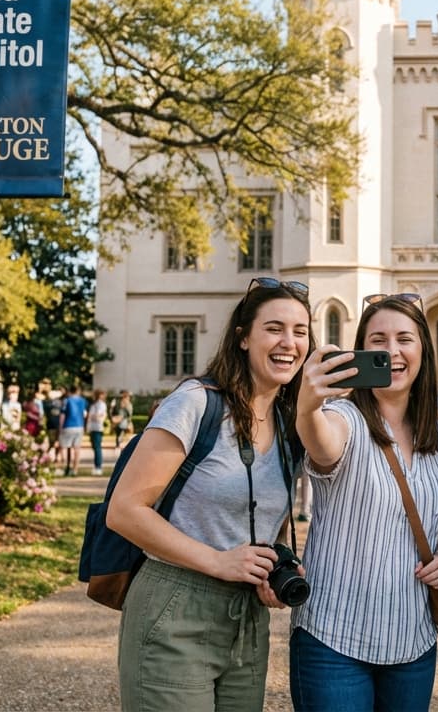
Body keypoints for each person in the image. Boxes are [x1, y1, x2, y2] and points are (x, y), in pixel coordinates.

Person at [107, 278, 312, 711]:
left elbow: (264, 520)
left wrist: (273, 568)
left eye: (300, 331)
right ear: (242, 338)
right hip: (175, 604)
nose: (288, 343)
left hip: (246, 620)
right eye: (274, 328)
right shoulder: (197, 402)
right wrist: (218, 561)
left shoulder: (287, 422)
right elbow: (124, 510)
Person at [290, 293, 438, 711]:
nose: (392, 352)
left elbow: (436, 523)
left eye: (405, 339)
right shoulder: (344, 417)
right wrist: (308, 407)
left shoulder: (435, 438)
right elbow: (324, 445)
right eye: (378, 341)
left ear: (423, 350)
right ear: (361, 350)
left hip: (413, 642)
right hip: (335, 640)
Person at [60, 384, 88, 477]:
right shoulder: (83, 401)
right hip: (79, 425)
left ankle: (67, 466)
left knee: (67, 447)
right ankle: (75, 469)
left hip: (68, 425)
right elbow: (84, 414)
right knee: (77, 448)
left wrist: (60, 427)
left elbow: (63, 414)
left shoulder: (67, 400)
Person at [87, 389, 109, 476]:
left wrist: (93, 416)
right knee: (94, 447)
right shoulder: (94, 405)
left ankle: (98, 466)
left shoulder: (102, 405)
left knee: (97, 447)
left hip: (97, 428)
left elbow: (99, 416)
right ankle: (96, 465)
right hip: (92, 427)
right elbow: (91, 416)